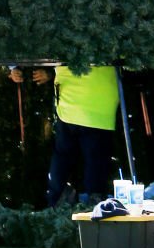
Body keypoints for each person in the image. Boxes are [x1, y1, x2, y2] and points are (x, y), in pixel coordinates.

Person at [11, 63, 119, 207]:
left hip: (69, 107)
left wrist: (14, 68)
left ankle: (56, 202)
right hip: (99, 105)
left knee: (63, 158)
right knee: (95, 160)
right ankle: (95, 203)